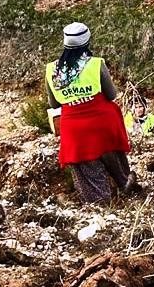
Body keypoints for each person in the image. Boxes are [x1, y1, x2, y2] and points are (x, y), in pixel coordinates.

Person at [45, 22, 135, 203]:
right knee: (112, 153)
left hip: (74, 128)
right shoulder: (95, 64)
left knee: (86, 168)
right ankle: (124, 181)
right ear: (86, 42)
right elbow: (111, 95)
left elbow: (54, 103)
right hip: (103, 123)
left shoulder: (51, 70)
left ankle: (98, 202)